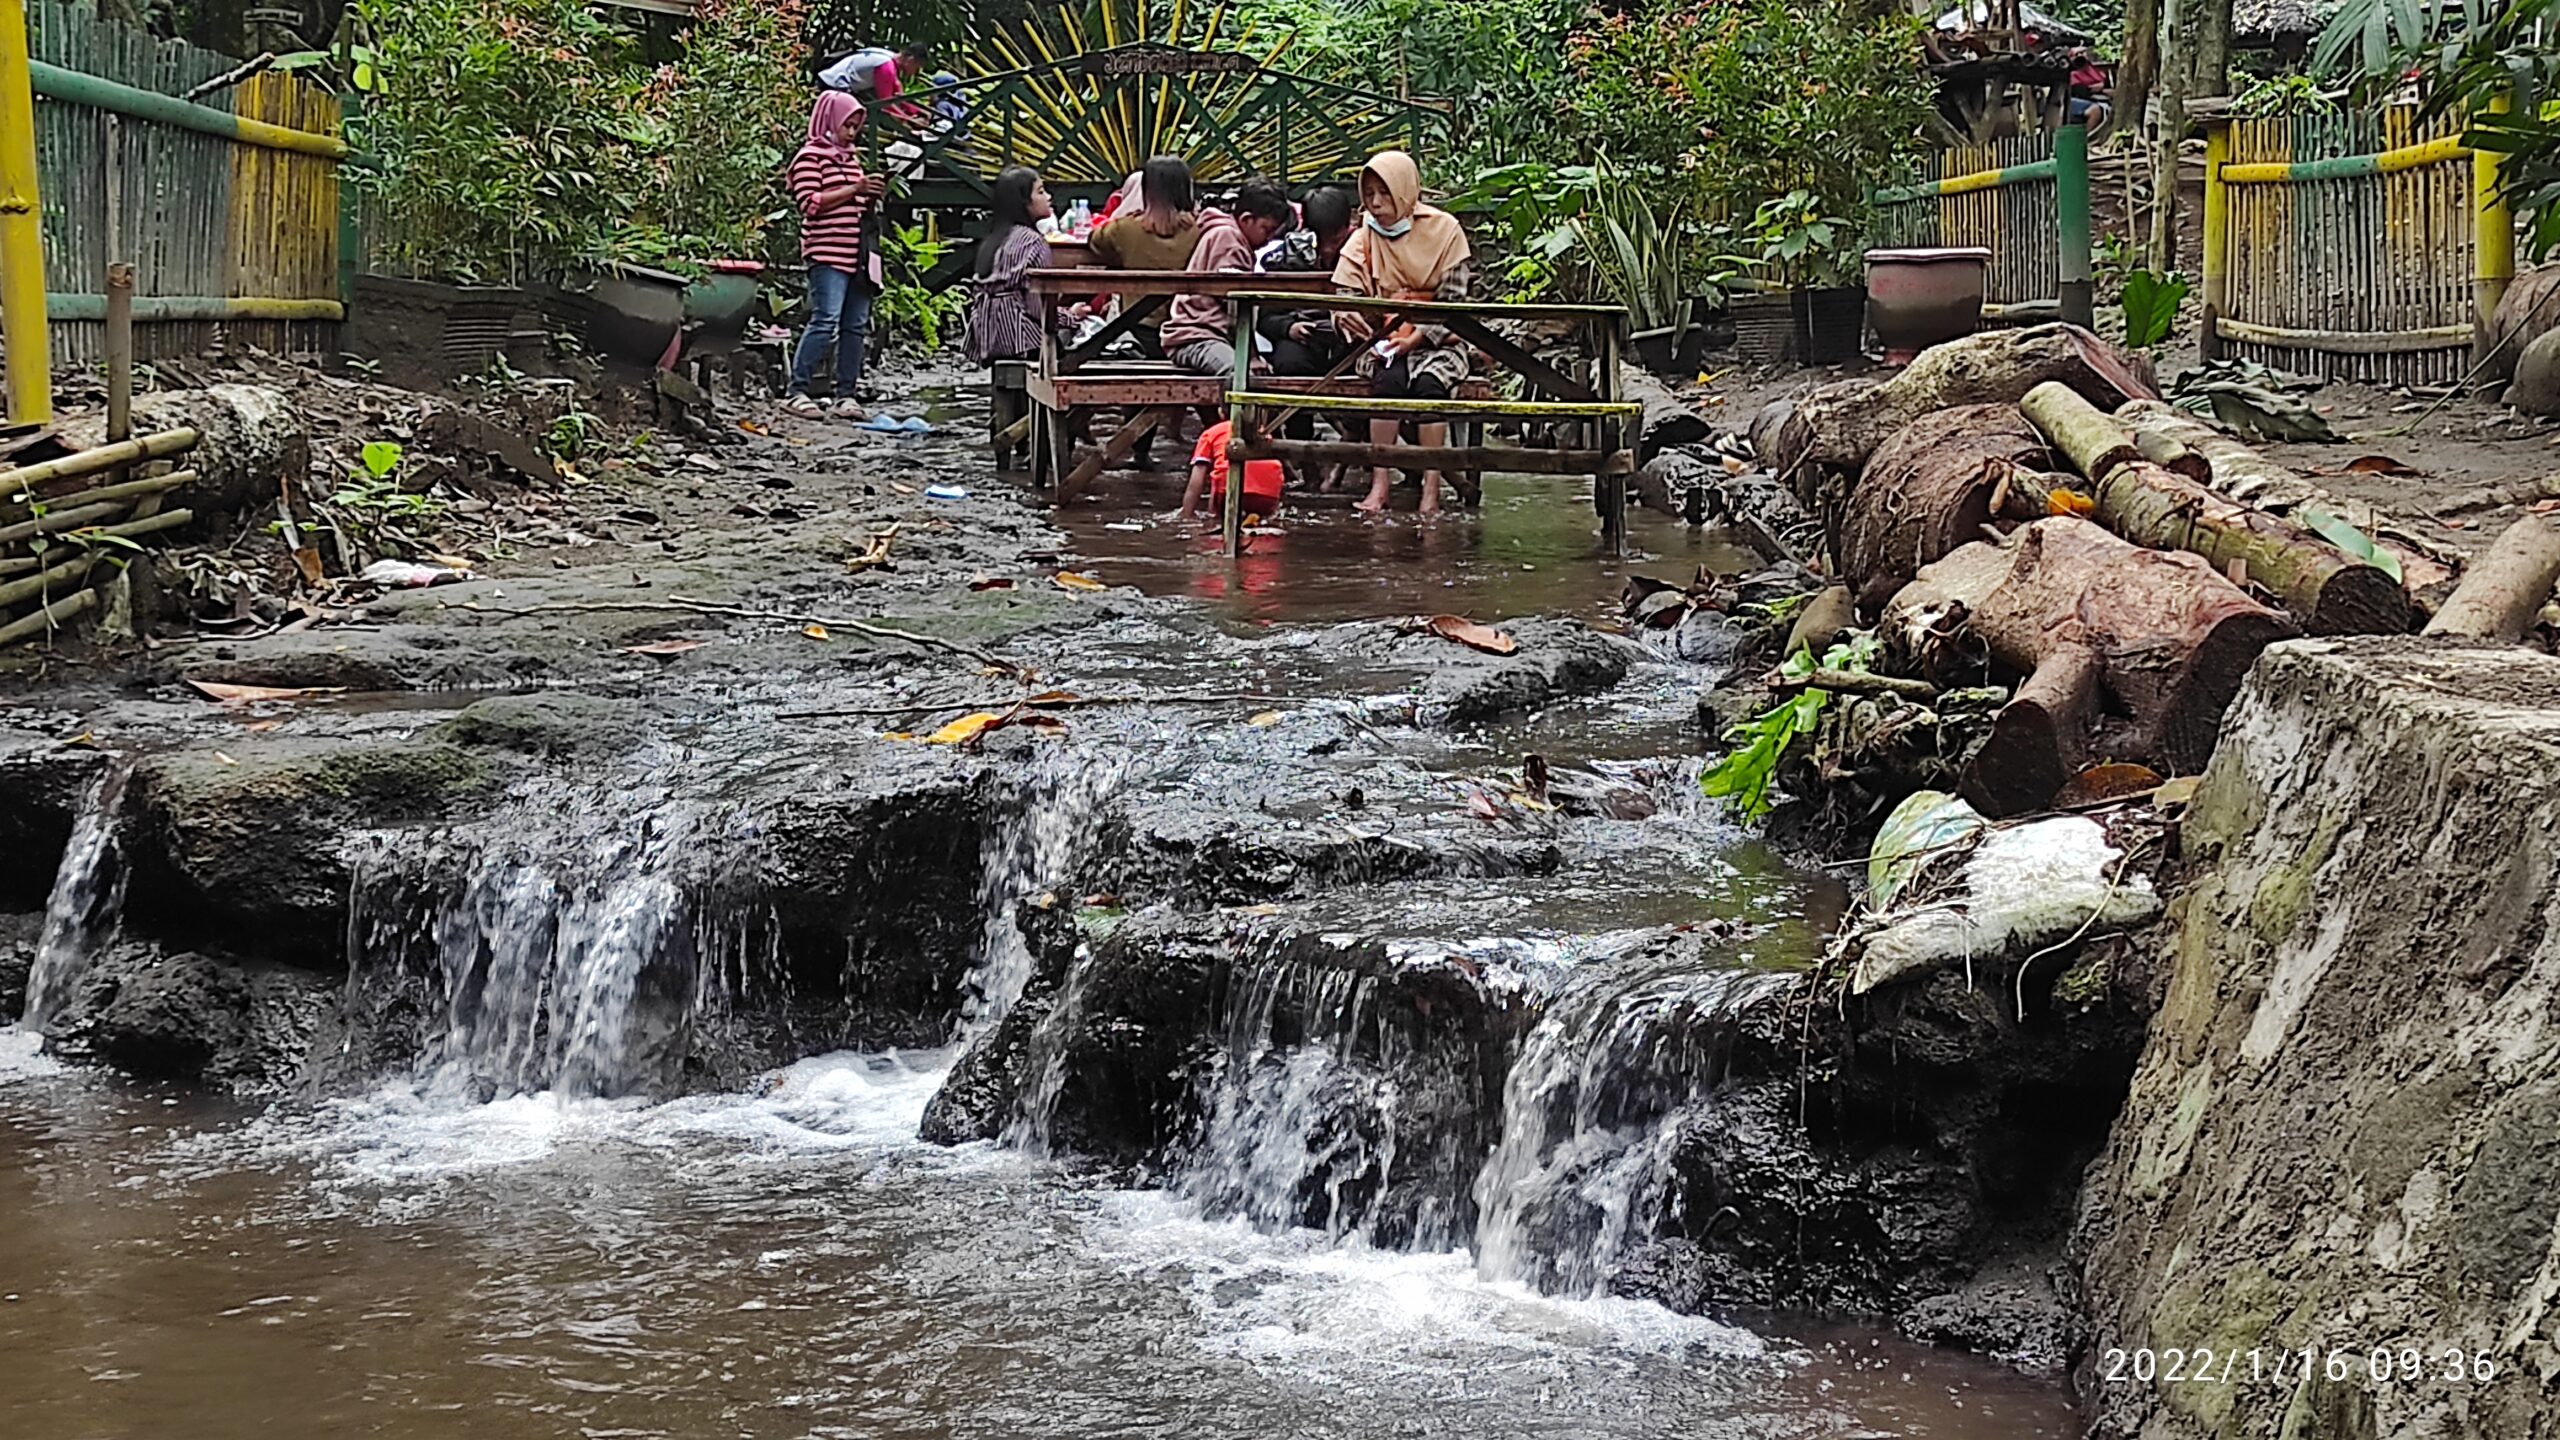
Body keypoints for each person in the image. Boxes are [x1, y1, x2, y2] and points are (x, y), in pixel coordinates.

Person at [1332, 150, 1474, 515]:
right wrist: (1347, 316)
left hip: (1437, 340)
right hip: (1387, 339)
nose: (1376, 204)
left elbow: (1453, 303)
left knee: (1429, 386)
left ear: (1406, 191)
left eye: (1385, 193)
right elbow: (1344, 292)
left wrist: (1416, 338)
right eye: (1369, 194)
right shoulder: (1363, 237)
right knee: (1387, 383)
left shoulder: (1445, 232)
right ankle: (1380, 485)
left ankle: (1431, 489)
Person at [783, 91, 885, 418]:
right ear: (829, 121)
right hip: (827, 251)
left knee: (855, 325)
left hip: (856, 253)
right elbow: (810, 203)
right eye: (846, 126)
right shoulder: (810, 158)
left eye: (856, 127)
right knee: (825, 320)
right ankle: (797, 390)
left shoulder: (850, 159)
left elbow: (853, 205)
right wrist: (855, 190)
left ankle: (846, 394)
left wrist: (869, 196)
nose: (851, 133)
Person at [1163, 178, 1296, 377]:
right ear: (1246, 219)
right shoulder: (1230, 241)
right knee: (1241, 377)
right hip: (1197, 336)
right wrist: (1251, 356)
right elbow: (1235, 306)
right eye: (1266, 229)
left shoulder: (1224, 233)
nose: (1269, 238)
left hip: (1207, 335)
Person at [1086, 155, 1202, 358]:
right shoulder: (1202, 231)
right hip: (1184, 332)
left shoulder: (1124, 230)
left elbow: (1095, 241)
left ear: (1146, 190)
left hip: (1134, 331)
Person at [1257, 185, 1356, 375]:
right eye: (1319, 241)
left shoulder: (1362, 252)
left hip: (1348, 340)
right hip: (1303, 339)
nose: (1327, 250)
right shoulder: (1287, 258)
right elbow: (1267, 317)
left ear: (1348, 226)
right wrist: (1289, 328)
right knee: (1289, 362)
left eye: (1335, 240)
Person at [964, 167, 1052, 367]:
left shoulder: (993, 240)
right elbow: (1039, 308)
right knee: (1074, 337)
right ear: (1024, 202)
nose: (1048, 197)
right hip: (1018, 339)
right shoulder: (1032, 242)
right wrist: (1072, 316)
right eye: (1040, 192)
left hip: (986, 336)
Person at [1181, 419, 1284, 522]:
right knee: (1266, 521)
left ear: (1220, 412)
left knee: (1219, 483)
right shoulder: (1262, 431)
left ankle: (1215, 523)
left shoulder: (1211, 433)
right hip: (1268, 493)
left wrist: (1187, 515)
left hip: (1229, 491)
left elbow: (1196, 479)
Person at [818, 44, 929, 128]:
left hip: (843, 86)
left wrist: (918, 111)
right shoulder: (886, 66)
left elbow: (898, 94)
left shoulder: (889, 57)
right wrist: (909, 120)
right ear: (911, 60)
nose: (915, 72)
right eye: (917, 67)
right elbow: (885, 102)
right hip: (833, 85)